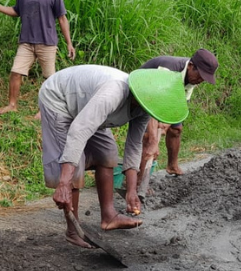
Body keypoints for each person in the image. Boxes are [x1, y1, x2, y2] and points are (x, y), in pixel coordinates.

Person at [39, 65, 188, 248]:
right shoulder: (114, 93)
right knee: (73, 166)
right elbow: (79, 130)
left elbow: (133, 146)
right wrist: (63, 183)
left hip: (87, 106)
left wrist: (132, 190)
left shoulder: (144, 108)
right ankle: (73, 230)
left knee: (107, 152)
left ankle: (109, 216)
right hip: (59, 99)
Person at [0, 0, 75, 115]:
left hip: (47, 43)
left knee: (49, 79)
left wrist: (69, 43)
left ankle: (45, 111)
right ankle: (12, 105)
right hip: (26, 42)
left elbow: (62, 19)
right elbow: (16, 11)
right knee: (16, 72)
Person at [138, 49, 219, 178]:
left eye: (204, 78)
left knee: (176, 129)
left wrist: (166, 123)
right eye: (200, 76)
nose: (201, 81)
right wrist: (154, 140)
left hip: (166, 98)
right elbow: (152, 105)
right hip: (143, 95)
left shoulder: (192, 79)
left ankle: (172, 166)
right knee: (149, 138)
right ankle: (137, 179)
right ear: (191, 66)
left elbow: (178, 107)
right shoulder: (167, 70)